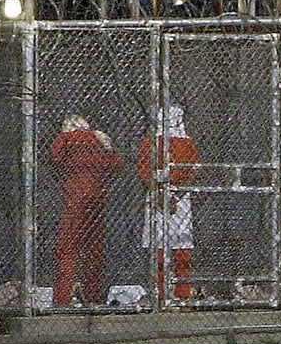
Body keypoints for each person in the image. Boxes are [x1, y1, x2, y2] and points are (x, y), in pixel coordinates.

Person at [51, 114, 122, 306]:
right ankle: (92, 294)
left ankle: (63, 297)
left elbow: (55, 158)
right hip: (97, 199)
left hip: (75, 199)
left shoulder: (66, 139)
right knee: (94, 249)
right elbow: (116, 166)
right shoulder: (100, 138)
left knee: (68, 247)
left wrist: (63, 176)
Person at [137, 105, 201, 303]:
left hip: (158, 197)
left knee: (160, 245)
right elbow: (193, 172)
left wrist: (158, 194)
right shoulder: (187, 144)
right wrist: (176, 196)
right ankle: (182, 294)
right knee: (180, 246)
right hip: (180, 200)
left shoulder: (150, 142)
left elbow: (144, 171)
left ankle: (161, 295)